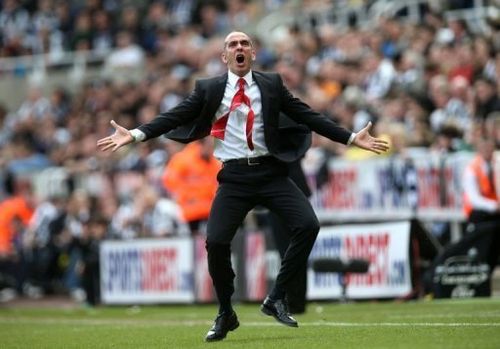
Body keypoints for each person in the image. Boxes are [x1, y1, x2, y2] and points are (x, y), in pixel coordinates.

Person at [97, 31, 389, 342]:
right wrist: (136, 134)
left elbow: (307, 115)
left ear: (252, 54)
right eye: (233, 44)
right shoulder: (209, 89)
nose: (239, 47)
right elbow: (174, 117)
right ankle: (226, 312)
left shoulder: (271, 84)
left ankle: (276, 296)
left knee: (308, 224)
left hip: (271, 172)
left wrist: (349, 138)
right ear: (224, 56)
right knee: (217, 243)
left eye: (245, 44)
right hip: (234, 178)